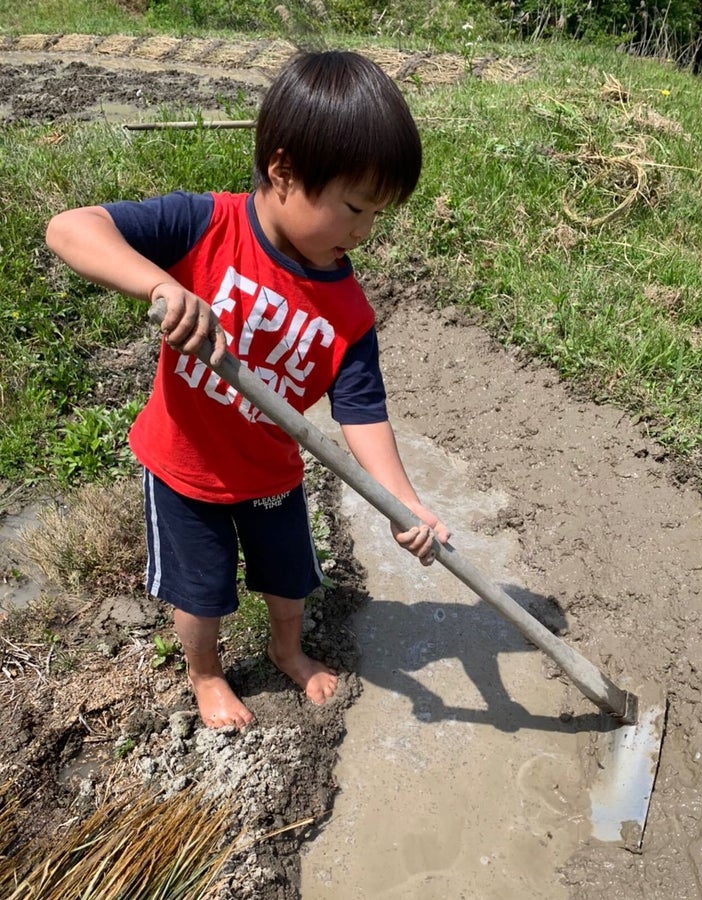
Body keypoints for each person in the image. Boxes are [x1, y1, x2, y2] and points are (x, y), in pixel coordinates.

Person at [46, 50, 450, 730]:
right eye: (354, 207)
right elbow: (70, 228)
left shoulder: (348, 312)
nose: (363, 232)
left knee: (289, 582)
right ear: (284, 170)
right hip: (184, 471)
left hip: (270, 476)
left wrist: (402, 502)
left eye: (376, 215)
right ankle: (206, 677)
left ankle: (286, 649)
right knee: (201, 595)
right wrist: (163, 285)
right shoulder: (206, 225)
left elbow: (362, 412)